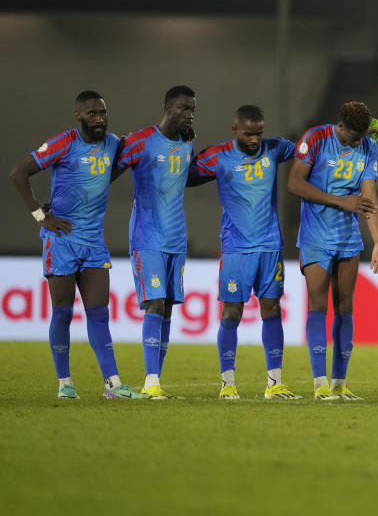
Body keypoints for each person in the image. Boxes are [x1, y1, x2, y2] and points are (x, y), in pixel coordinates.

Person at [8, 91, 146, 400]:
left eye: (103, 112)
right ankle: (65, 385)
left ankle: (113, 385)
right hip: (61, 240)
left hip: (93, 240)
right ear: (78, 116)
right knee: (63, 313)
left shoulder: (112, 144)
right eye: (93, 113)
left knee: (99, 313)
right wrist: (41, 217)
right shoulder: (63, 143)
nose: (99, 118)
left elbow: (114, 167)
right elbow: (18, 173)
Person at [189, 105, 300, 400]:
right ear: (235, 130)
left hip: (270, 247)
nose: (255, 139)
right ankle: (228, 385)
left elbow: (306, 147)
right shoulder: (218, 156)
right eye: (249, 134)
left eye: (259, 133)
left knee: (272, 310)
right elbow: (185, 175)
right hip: (236, 248)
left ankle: (274, 384)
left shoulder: (274, 149)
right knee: (232, 312)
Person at [288, 101, 378, 401]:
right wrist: (341, 201)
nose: (357, 142)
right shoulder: (316, 138)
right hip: (316, 236)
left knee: (345, 307)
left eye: (362, 136)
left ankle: (339, 384)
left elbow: (368, 197)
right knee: (318, 305)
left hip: (348, 238)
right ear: (341, 126)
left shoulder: (368, 146)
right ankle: (319, 384)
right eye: (352, 136)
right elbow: (294, 183)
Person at [116, 85, 197, 399]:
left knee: (166, 309)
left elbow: (183, 176)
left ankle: (155, 383)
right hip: (147, 237)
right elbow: (109, 172)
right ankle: (150, 382)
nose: (189, 114)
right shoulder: (140, 141)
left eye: (192, 109)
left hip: (176, 239)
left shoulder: (187, 142)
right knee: (154, 303)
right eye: (184, 108)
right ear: (168, 108)